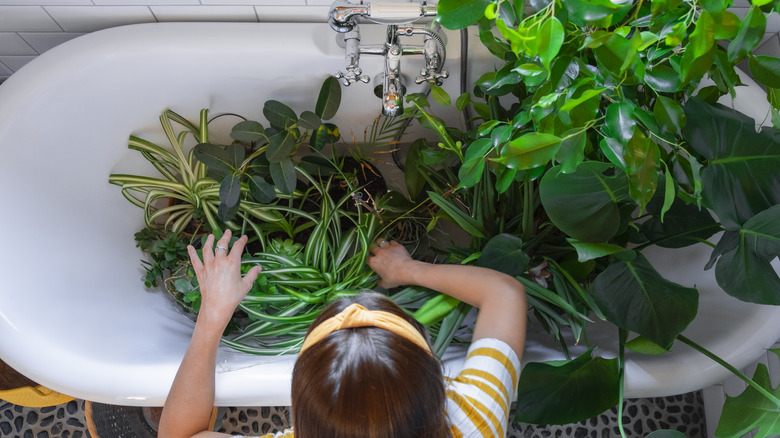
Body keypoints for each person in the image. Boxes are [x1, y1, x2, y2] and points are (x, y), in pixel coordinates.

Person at [159, 230, 527, 438]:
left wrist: (212, 314)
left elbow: (180, 436)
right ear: (437, 386)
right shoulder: (474, 420)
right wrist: (407, 269)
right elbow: (504, 293)